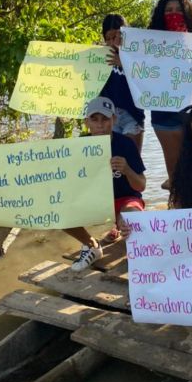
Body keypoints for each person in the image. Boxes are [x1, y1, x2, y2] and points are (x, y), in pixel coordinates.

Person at [64, 96, 146, 272]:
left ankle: (141, 262)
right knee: (58, 213)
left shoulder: (125, 144)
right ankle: (92, 245)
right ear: (87, 122)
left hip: (125, 199)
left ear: (114, 120)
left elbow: (141, 186)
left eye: (105, 119)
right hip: (96, 201)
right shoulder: (79, 146)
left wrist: (127, 170)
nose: (100, 124)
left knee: (131, 219)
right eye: (94, 119)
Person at [145, 0, 192, 186]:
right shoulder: (149, 42)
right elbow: (138, 68)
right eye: (169, 10)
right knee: (174, 170)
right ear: (161, 14)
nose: (173, 14)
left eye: (178, 10)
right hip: (163, 112)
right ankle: (178, 210)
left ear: (187, 13)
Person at [100, 15, 145, 151]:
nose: (113, 42)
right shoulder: (98, 57)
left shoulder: (138, 56)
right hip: (108, 116)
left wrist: (124, 63)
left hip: (132, 115)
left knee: (132, 162)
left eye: (116, 37)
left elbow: (148, 82)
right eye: (109, 38)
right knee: (111, 165)